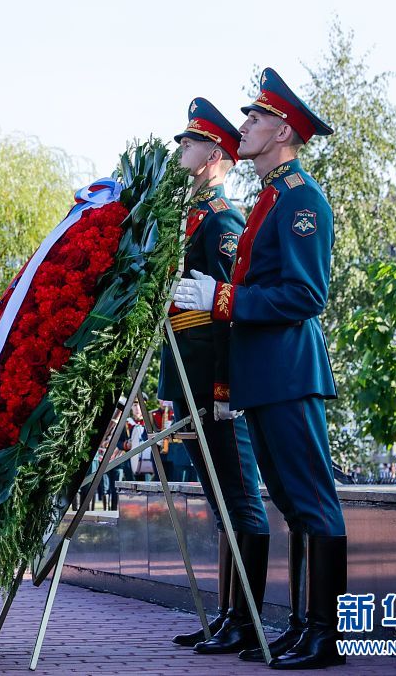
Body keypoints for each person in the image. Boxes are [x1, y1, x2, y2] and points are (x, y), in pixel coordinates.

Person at [175, 68, 345, 670]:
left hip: (289, 371)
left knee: (312, 503)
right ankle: (304, 629)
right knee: (294, 505)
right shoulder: (274, 196)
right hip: (264, 374)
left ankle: (325, 636)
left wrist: (220, 300)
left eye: (252, 118)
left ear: (281, 129)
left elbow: (305, 295)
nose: (241, 126)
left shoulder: (301, 199)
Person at [161, 98, 272, 654]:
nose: (182, 149)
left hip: (215, 383)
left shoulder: (224, 220)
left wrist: (225, 389)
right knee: (220, 500)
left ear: (214, 155)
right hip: (192, 378)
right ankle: (231, 615)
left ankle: (247, 619)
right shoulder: (195, 217)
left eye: (190, 142)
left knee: (239, 497)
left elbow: (226, 315)